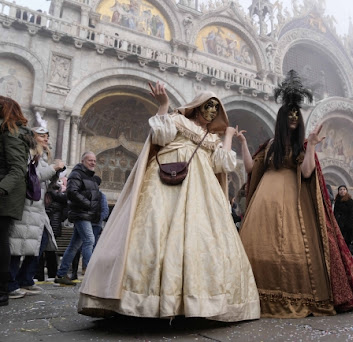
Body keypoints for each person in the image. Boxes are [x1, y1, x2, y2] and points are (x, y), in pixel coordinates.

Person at [78, 82, 259, 322]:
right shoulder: (177, 120)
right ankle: (141, 299)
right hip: (165, 184)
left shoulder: (211, 138)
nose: (212, 111)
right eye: (208, 105)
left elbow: (222, 164)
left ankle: (193, 302)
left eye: (217, 108)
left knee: (201, 236)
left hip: (202, 191)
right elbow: (159, 135)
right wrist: (163, 105)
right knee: (153, 230)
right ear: (197, 106)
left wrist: (226, 136)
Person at [238, 70, 353, 318]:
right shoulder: (271, 145)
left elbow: (307, 172)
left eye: (297, 115)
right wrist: (243, 145)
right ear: (282, 118)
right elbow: (251, 169)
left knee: (292, 246)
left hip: (293, 201)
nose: (294, 118)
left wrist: (312, 145)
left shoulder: (302, 146)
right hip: (264, 201)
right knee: (259, 244)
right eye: (290, 115)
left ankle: (292, 292)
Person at [9, 125, 63, 298]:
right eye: (41, 135)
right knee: (18, 244)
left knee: (41, 241)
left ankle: (25, 279)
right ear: (33, 137)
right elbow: (33, 177)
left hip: (37, 207)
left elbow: (43, 180)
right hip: (26, 205)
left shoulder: (43, 156)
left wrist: (55, 176)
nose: (46, 138)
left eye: (47, 135)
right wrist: (54, 168)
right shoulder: (30, 153)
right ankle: (11, 283)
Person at [0, 96, 32, 306]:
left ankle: (2, 290)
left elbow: (17, 168)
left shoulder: (11, 133)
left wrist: (1, 189)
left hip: (5, 196)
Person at [54, 151, 101, 286]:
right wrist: (88, 204)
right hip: (81, 213)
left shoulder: (90, 176)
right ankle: (92, 275)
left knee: (74, 245)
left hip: (86, 214)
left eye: (94, 161)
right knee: (89, 240)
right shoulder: (76, 174)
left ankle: (61, 274)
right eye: (90, 160)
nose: (93, 163)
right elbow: (71, 192)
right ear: (82, 161)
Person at [37, 175, 67, 281]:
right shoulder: (57, 196)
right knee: (45, 250)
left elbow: (64, 210)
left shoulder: (56, 195)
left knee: (45, 250)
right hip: (50, 224)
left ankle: (46, 274)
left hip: (51, 224)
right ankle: (45, 274)